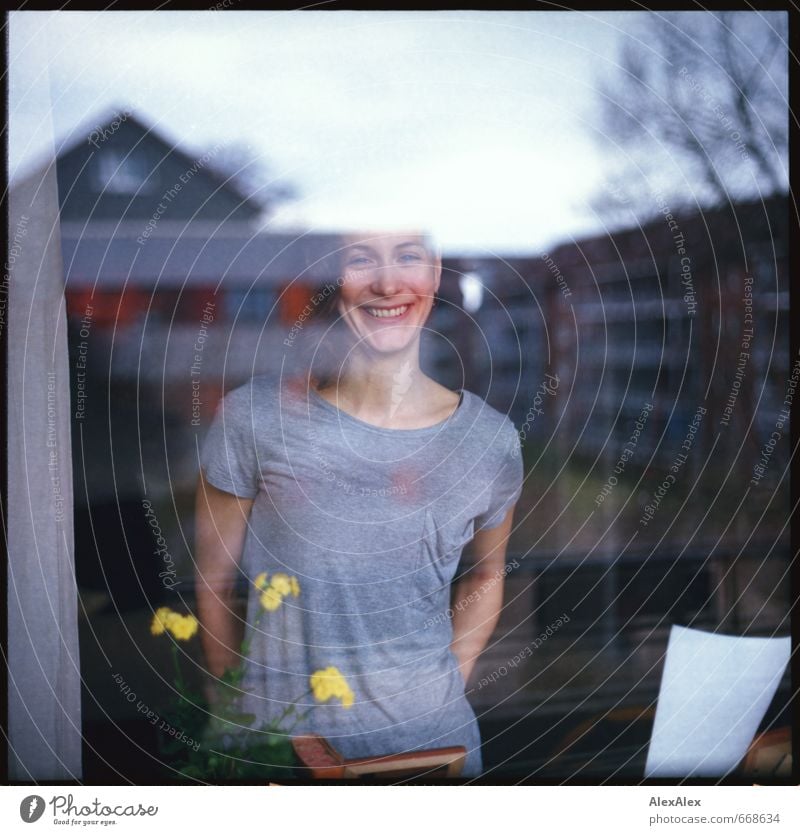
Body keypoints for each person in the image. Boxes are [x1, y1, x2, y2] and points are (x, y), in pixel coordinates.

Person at [194, 229, 523, 778]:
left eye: (409, 257)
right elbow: (212, 583)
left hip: (437, 754)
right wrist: (243, 710)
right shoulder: (255, 419)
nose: (388, 282)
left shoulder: (490, 441)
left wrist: (446, 682)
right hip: (280, 757)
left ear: (435, 273)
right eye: (362, 258)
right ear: (332, 277)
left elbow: (487, 573)